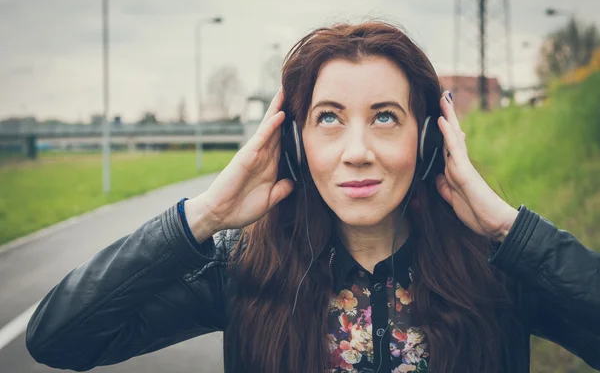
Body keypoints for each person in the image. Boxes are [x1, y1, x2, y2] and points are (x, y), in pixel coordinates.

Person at [26, 21, 600, 373]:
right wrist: (204, 217)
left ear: (428, 141)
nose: (357, 151)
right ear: (294, 146)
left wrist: (509, 231)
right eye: (329, 118)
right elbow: (59, 336)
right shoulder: (244, 271)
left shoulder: (498, 273)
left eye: (385, 118)